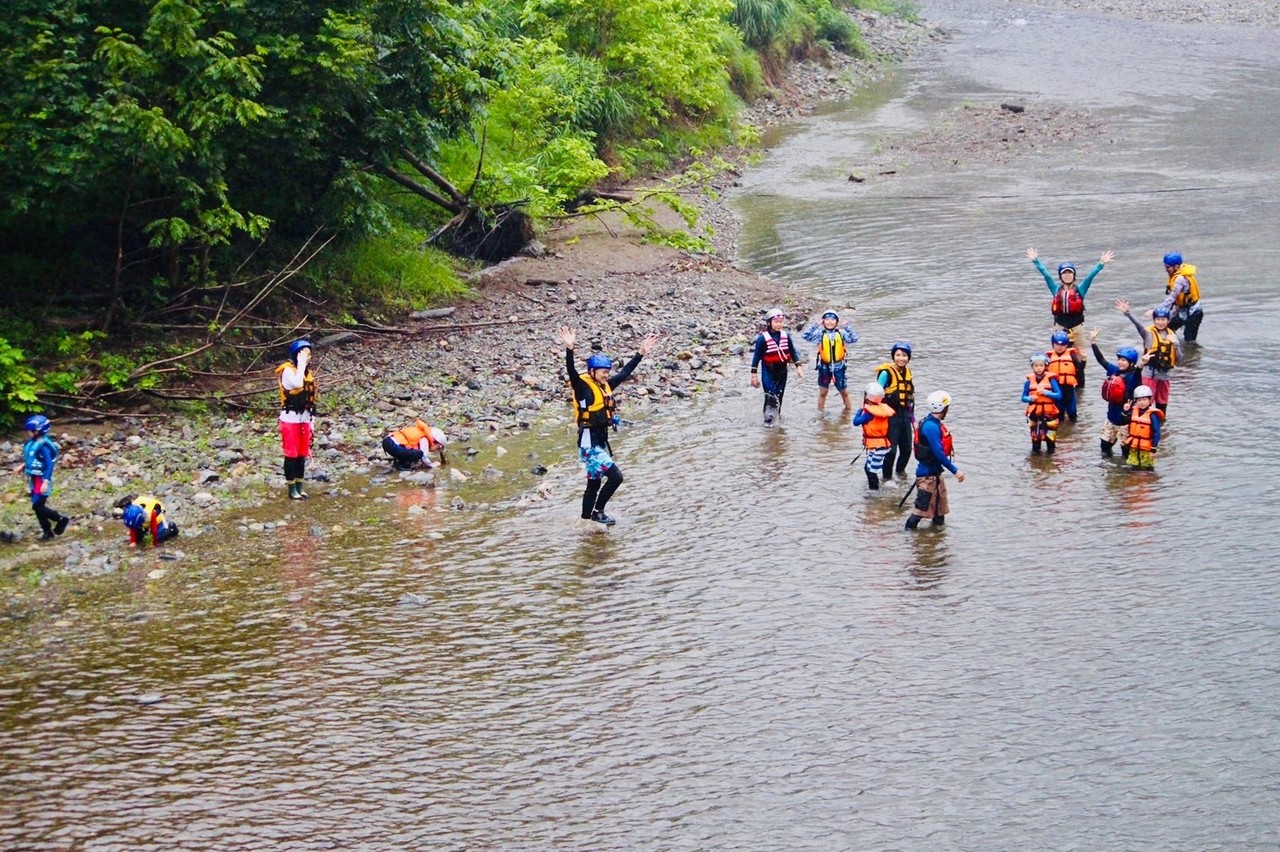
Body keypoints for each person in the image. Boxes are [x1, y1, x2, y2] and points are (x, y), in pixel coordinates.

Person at [558, 326, 658, 526]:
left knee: (593, 484)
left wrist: (640, 353)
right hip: (589, 444)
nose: (606, 375)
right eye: (603, 372)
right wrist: (570, 349)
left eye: (607, 372)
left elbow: (625, 373)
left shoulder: (605, 386)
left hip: (598, 441)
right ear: (593, 372)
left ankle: (585, 524)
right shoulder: (582, 386)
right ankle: (598, 512)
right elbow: (571, 371)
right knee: (616, 477)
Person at [1026, 247, 1115, 345]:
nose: (1067, 275)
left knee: (1080, 357)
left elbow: (1090, 277)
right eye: (1064, 273)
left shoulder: (1080, 289)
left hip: (1077, 328)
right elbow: (1047, 275)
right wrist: (1036, 261)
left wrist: (1101, 264)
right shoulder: (1055, 290)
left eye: (1069, 272)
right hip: (1060, 328)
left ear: (1074, 275)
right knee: (1059, 356)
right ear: (1060, 276)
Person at [905, 390, 965, 530]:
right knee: (918, 513)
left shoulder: (932, 423)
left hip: (935, 475)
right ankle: (908, 541)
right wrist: (956, 472)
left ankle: (936, 542)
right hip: (927, 477)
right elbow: (938, 454)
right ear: (943, 408)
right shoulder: (931, 427)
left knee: (940, 513)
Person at [1088, 328, 1147, 457]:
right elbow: (1101, 360)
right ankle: (1110, 472)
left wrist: (1141, 365)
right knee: (1104, 448)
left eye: (1124, 360)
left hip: (1124, 421)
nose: (1120, 362)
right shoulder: (1114, 371)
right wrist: (1093, 343)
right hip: (1111, 418)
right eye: (1119, 359)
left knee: (1126, 452)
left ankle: (1124, 475)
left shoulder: (1133, 377)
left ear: (1131, 363)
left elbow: (1138, 374)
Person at [1118, 298, 1181, 415]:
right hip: (1149, 374)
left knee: (1162, 406)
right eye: (1158, 319)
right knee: (1145, 405)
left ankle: (1161, 428)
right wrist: (1128, 313)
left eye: (1163, 320)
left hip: (1165, 376)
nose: (1160, 322)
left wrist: (1176, 344)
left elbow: (1180, 359)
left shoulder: (1173, 337)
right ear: (1154, 320)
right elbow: (1138, 325)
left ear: (1168, 321)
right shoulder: (1148, 335)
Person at [276, 338, 317, 499]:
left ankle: (300, 486)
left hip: (304, 418)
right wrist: (301, 363)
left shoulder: (307, 373)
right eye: (303, 354)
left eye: (308, 354)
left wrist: (312, 422)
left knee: (302, 455)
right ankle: (291, 489)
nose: (307, 357)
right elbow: (298, 383)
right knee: (291, 455)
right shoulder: (288, 372)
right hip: (290, 419)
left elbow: (311, 398)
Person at [750, 308, 804, 425]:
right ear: (769, 323)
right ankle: (767, 421)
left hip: (782, 371)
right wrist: (754, 375)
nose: (779, 324)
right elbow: (756, 357)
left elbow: (793, 351)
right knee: (770, 396)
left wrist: (798, 366)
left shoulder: (786, 336)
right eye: (776, 322)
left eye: (781, 322)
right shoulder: (762, 338)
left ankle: (777, 419)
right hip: (768, 370)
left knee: (779, 397)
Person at [22, 414, 69, 541]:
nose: (28, 433)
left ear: (37, 431)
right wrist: (22, 467)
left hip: (41, 480)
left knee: (37, 506)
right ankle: (47, 532)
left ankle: (60, 519)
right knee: (38, 508)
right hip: (34, 479)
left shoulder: (43, 446)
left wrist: (45, 482)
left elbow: (49, 465)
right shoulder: (33, 443)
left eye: (30, 431)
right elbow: (32, 459)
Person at [801, 309, 859, 411]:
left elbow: (854, 338)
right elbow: (805, 336)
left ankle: (848, 413)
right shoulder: (820, 334)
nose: (830, 321)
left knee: (844, 392)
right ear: (823, 321)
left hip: (839, 367)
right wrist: (815, 325)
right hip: (824, 367)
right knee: (823, 392)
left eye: (833, 319)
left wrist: (846, 326)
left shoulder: (842, 333)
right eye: (827, 319)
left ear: (837, 322)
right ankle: (820, 415)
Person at [875, 342, 915, 481]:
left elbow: (910, 397)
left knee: (907, 449)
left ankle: (900, 474)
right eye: (898, 355)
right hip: (889, 415)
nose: (901, 358)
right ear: (893, 357)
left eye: (904, 355)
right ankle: (886, 479)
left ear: (908, 358)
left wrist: (912, 418)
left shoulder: (908, 373)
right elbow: (875, 394)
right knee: (891, 451)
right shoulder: (886, 373)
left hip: (904, 414)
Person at [852, 381, 895, 490]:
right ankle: (875, 490)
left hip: (877, 447)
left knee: (870, 471)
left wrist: (860, 409)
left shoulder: (869, 413)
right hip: (881, 445)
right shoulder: (880, 409)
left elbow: (856, 422)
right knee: (869, 469)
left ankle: (874, 493)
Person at [1022, 353, 1063, 455]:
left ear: (1045, 366)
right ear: (1032, 367)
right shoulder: (1028, 382)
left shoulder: (1051, 380)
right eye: (1036, 366)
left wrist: (1047, 393)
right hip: (1035, 414)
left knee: (1050, 440)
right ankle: (1036, 463)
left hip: (1049, 414)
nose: (1039, 368)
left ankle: (1050, 461)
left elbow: (1059, 395)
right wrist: (1029, 398)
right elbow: (1023, 397)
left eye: (1041, 365)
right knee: (1035, 441)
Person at [1158, 251, 1203, 342]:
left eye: (1168, 267)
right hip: (1183, 311)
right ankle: (1172, 347)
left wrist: (1157, 310)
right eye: (1165, 266)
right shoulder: (1177, 275)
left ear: (1176, 267)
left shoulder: (1180, 279)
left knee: (1189, 341)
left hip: (1193, 313)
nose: (1166, 269)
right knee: (1168, 328)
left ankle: (1190, 354)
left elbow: (1172, 298)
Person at [1045, 330, 1087, 422]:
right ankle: (1061, 433)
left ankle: (1072, 432)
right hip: (1056, 389)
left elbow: (1080, 369)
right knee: (1059, 416)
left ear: (1067, 345)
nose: (1060, 347)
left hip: (1069, 390)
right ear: (1053, 344)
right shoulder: (1048, 358)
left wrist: (1083, 359)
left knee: (1072, 415)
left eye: (1063, 345)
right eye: (1057, 344)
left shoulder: (1072, 356)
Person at [1123, 385, 1163, 470]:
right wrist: (1125, 411)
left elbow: (1157, 432)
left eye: (1144, 399)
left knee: (1147, 468)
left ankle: (1149, 482)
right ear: (1135, 401)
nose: (1142, 402)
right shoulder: (1133, 411)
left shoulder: (1153, 415)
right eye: (1139, 400)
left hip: (1146, 447)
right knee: (1133, 466)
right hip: (1134, 446)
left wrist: (1153, 449)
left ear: (1149, 400)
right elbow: (1125, 420)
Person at [383, 419, 448, 470]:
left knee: (413, 452)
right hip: (394, 446)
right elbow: (424, 456)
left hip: (388, 441)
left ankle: (399, 461)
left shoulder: (421, 433)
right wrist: (432, 465)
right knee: (419, 453)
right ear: (435, 441)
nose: (436, 450)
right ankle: (401, 465)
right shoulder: (424, 439)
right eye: (438, 447)